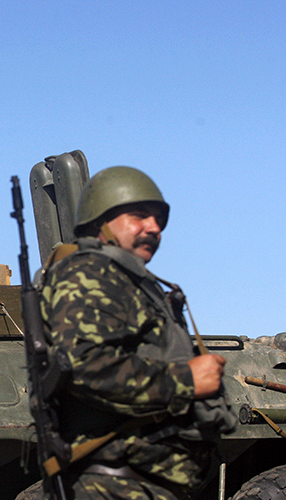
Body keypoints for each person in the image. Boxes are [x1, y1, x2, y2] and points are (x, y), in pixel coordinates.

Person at [24, 166, 236, 500]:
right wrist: (184, 380)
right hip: (112, 486)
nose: (154, 228)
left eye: (158, 220)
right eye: (139, 216)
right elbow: (85, 364)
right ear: (100, 222)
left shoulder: (128, 282)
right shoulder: (89, 272)